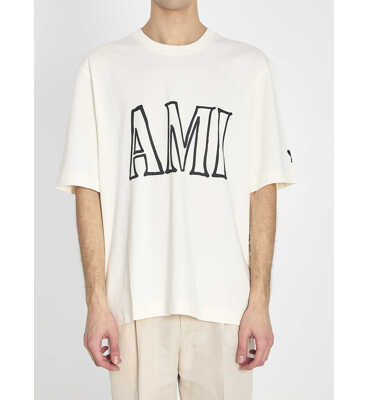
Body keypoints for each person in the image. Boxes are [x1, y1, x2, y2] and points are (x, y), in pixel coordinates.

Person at [57, 0, 295, 398]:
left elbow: (262, 190)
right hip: (135, 306)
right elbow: (87, 191)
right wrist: (96, 303)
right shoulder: (102, 69)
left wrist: (260, 301)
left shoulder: (249, 69)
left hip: (226, 308)